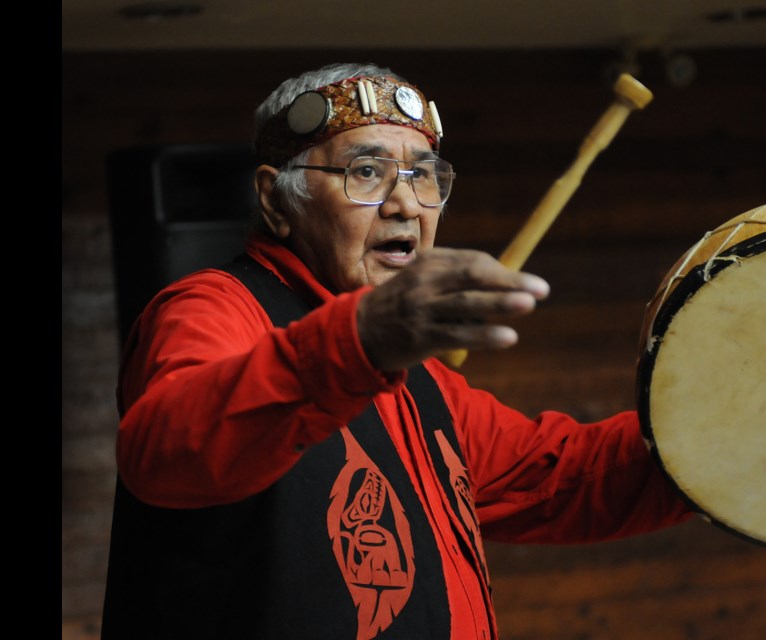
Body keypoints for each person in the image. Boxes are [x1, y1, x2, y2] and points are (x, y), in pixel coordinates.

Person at [100, 62, 692, 640]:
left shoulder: (417, 373)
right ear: (276, 202)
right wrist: (361, 339)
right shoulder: (213, 307)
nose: (406, 204)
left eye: (424, 175)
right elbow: (166, 450)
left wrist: (723, 439)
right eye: (364, 171)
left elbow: (561, 479)